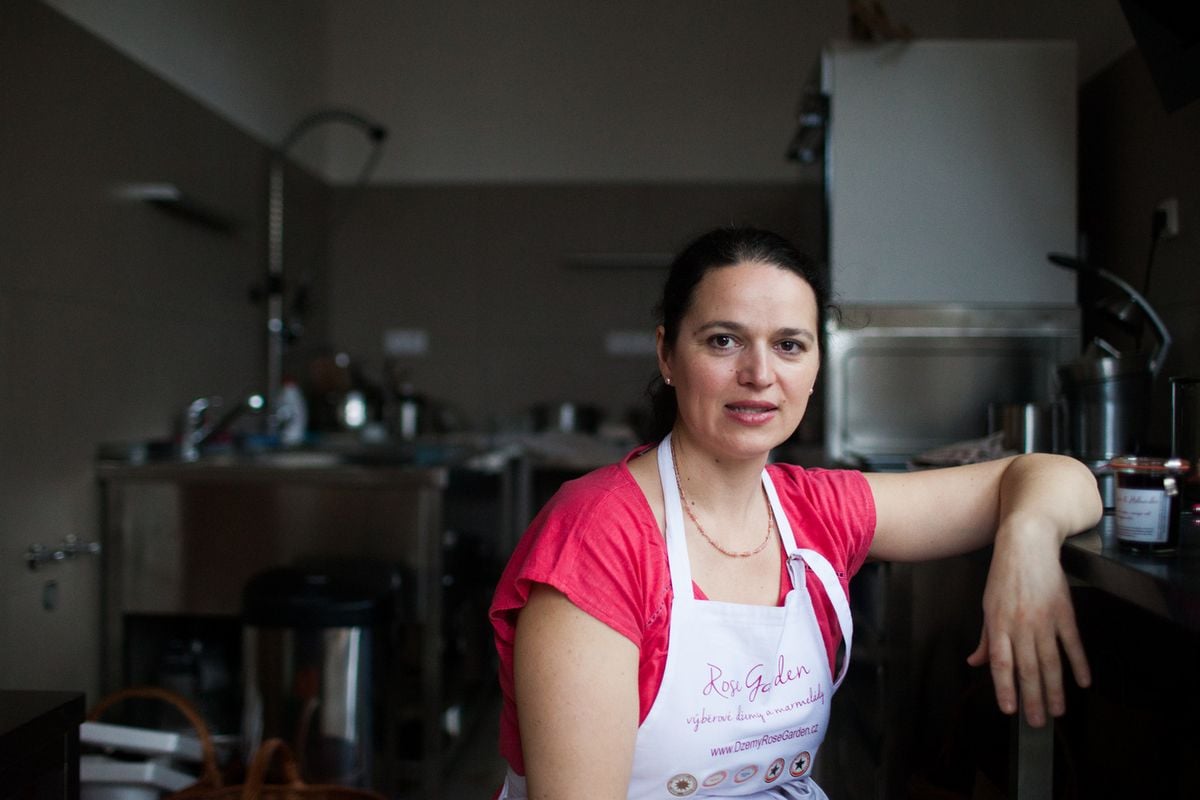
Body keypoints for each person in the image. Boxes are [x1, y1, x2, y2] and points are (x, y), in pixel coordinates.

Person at [489, 227, 1102, 799]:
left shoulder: (816, 510)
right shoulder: (599, 533)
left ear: (814, 369)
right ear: (668, 356)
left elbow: (1060, 476)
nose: (759, 375)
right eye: (723, 341)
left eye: (788, 345)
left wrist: (1026, 540)